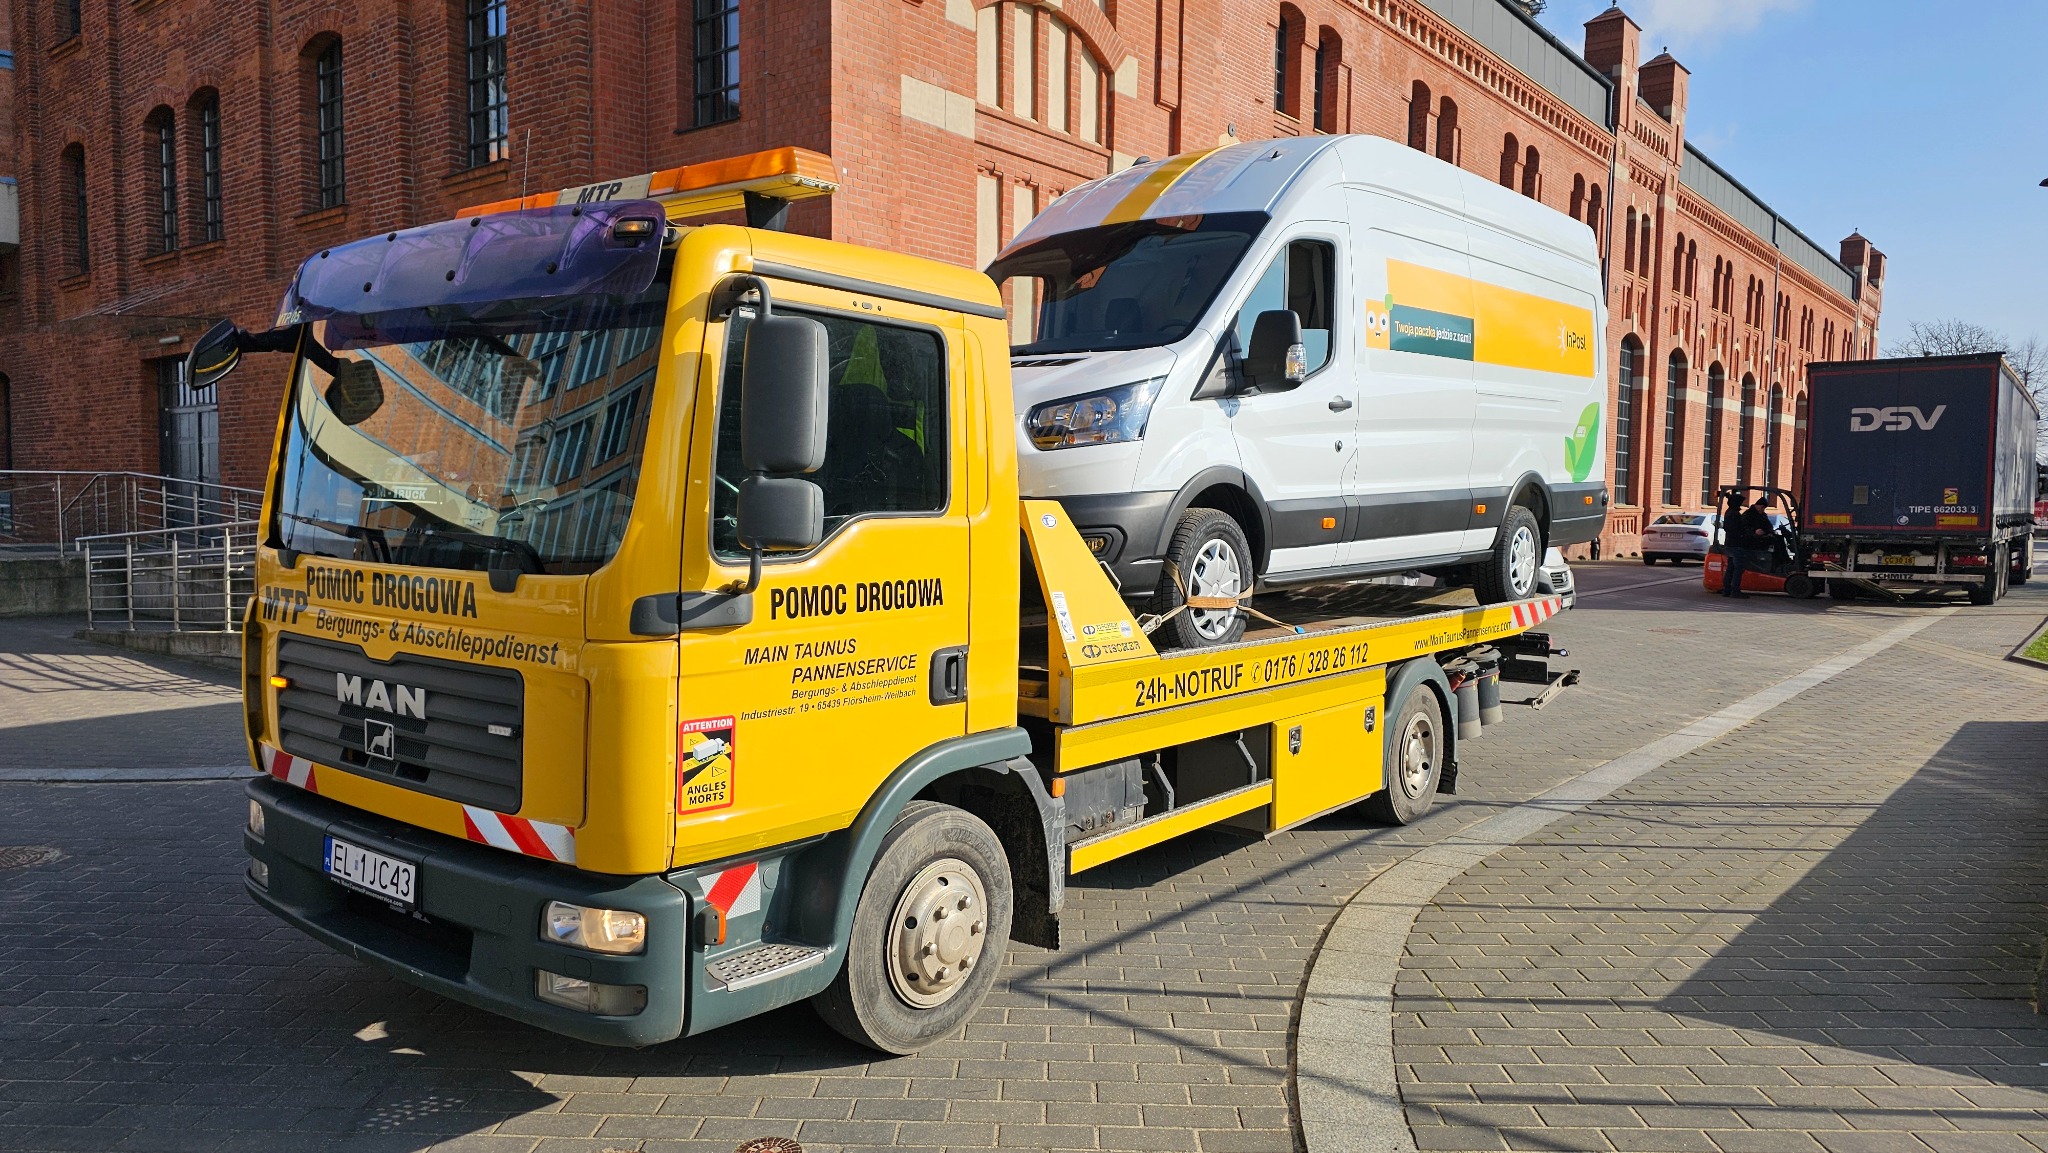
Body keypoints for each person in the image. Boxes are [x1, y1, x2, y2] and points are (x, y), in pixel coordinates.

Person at [1720, 497, 1775, 599]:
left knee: (1731, 568)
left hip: (1730, 543)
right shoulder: (1736, 515)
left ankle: (1727, 589)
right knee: (1738, 568)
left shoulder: (1730, 513)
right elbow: (1741, 529)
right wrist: (1753, 533)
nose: (1740, 506)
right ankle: (1735, 590)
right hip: (1737, 544)